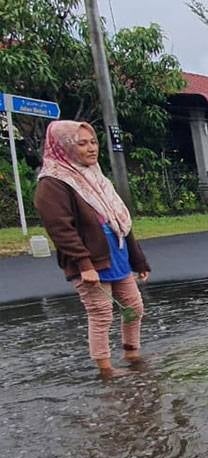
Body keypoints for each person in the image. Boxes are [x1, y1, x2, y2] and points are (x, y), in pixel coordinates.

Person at [34, 121, 150, 379]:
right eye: (82, 143)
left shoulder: (97, 177)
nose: (90, 148)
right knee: (101, 313)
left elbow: (121, 221)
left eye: (93, 142)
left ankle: (131, 353)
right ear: (64, 146)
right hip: (90, 263)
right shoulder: (53, 183)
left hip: (116, 256)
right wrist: (84, 264)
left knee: (134, 307)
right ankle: (105, 368)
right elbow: (61, 229)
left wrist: (139, 261)